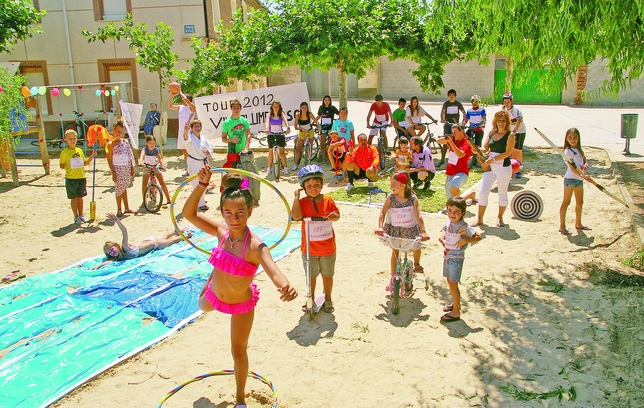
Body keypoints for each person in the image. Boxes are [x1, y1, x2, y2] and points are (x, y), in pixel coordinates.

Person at [182, 164, 298, 408]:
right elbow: (189, 214)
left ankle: (240, 399)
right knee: (201, 306)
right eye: (228, 212)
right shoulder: (221, 231)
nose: (234, 218)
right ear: (222, 212)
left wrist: (285, 285)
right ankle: (209, 284)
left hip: (240, 304)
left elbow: (274, 271)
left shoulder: (256, 246)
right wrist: (202, 186)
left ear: (250, 211)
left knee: (238, 351)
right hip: (214, 296)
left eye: (240, 212)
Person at [291, 165, 341, 313]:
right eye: (310, 186)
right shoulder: (302, 203)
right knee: (311, 276)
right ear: (303, 187)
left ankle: (328, 298)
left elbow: (337, 215)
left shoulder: (328, 200)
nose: (313, 188)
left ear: (321, 185)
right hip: (309, 249)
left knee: (327, 274)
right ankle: (310, 298)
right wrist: (296, 198)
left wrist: (334, 216)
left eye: (317, 185)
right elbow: (297, 216)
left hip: (327, 247)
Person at [375, 172, 430, 282]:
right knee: (395, 252)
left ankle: (417, 263)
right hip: (395, 230)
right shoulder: (391, 198)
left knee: (417, 246)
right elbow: (382, 213)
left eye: (394, 184)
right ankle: (393, 277)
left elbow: (418, 215)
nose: (391, 186)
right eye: (391, 184)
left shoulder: (413, 199)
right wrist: (380, 227)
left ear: (403, 185)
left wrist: (423, 231)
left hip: (410, 229)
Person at [94, 212, 191, 269]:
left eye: (112, 249)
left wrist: (117, 221)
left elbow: (124, 231)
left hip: (154, 244)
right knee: (164, 237)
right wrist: (98, 266)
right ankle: (177, 230)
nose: (112, 252)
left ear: (116, 245)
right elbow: (109, 261)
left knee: (172, 241)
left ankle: (186, 235)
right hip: (149, 241)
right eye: (110, 252)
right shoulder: (117, 256)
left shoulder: (125, 247)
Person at [437, 196, 481, 322]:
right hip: (448, 255)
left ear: (462, 213)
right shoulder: (448, 222)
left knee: (454, 283)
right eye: (450, 210)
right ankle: (455, 304)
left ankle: (456, 311)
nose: (452, 214)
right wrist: (442, 239)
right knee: (449, 281)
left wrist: (465, 240)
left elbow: (477, 237)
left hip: (456, 258)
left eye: (456, 212)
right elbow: (443, 234)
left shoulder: (465, 226)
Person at [472, 110, 515, 228]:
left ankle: (500, 218)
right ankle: (479, 218)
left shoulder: (510, 135)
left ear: (506, 122)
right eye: (499, 120)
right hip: (490, 167)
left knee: (502, 193)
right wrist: (477, 149)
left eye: (503, 121)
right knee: (483, 192)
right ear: (495, 121)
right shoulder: (491, 133)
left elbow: (508, 152)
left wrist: (492, 160)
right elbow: (485, 148)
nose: (501, 123)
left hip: (503, 167)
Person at [559, 127, 592, 235]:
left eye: (575, 137)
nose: (573, 140)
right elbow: (573, 167)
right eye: (570, 138)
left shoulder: (579, 150)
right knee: (566, 202)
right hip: (570, 179)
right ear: (567, 139)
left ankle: (578, 223)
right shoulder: (567, 152)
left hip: (579, 180)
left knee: (580, 202)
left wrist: (585, 165)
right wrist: (583, 175)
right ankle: (562, 226)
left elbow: (584, 160)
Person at [59, 129, 96, 224]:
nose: (72, 140)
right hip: (71, 179)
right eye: (70, 138)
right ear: (66, 140)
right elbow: (62, 165)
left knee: (80, 197)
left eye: (74, 138)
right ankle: (76, 216)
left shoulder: (79, 150)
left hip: (81, 178)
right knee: (74, 198)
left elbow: (85, 162)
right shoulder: (65, 152)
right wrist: (71, 165)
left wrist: (92, 155)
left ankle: (81, 215)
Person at [436, 124, 477, 206]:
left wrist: (450, 142)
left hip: (462, 172)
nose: (453, 134)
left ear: (461, 131)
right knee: (451, 202)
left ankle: (460, 206)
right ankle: (469, 195)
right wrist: (447, 139)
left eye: (455, 132)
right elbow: (438, 141)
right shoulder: (453, 139)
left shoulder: (467, 142)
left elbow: (460, 154)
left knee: (453, 186)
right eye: (452, 132)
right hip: (450, 172)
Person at [106, 120, 135, 217]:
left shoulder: (126, 142)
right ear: (114, 130)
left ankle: (127, 207)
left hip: (126, 168)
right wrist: (113, 173)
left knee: (124, 187)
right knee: (119, 188)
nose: (119, 133)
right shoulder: (110, 144)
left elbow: (129, 155)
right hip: (117, 170)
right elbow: (109, 160)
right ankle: (119, 209)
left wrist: (132, 167)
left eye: (121, 132)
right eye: (118, 131)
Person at [166, 85, 196, 176]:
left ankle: (194, 168)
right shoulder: (180, 107)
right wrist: (171, 95)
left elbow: (187, 101)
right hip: (181, 132)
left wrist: (180, 92)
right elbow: (169, 106)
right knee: (184, 151)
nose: (182, 100)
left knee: (191, 150)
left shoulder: (192, 107)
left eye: (184, 99)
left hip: (190, 132)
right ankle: (188, 168)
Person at [183, 119, 213, 211]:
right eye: (195, 127)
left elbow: (210, 146)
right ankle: (201, 203)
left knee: (204, 181)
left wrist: (209, 151)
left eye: (199, 126)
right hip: (194, 162)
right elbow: (185, 138)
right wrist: (185, 131)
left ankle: (201, 199)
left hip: (203, 162)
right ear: (191, 128)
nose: (197, 128)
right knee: (196, 183)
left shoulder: (203, 137)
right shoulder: (190, 137)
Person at [139, 135, 172, 207]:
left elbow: (160, 159)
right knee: (144, 184)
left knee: (162, 182)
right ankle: (144, 200)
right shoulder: (144, 149)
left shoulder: (156, 150)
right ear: (146, 143)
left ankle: (168, 199)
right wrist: (141, 163)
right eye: (150, 143)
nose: (152, 145)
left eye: (153, 143)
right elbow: (141, 157)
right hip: (147, 167)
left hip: (155, 166)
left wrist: (163, 165)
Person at [439, 89, 466, 167]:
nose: (451, 96)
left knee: (456, 141)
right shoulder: (446, 104)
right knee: (445, 140)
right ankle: (442, 159)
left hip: (455, 125)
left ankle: (456, 159)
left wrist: (463, 121)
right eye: (450, 95)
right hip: (447, 124)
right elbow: (442, 112)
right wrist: (442, 119)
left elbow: (463, 112)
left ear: (455, 96)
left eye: (453, 95)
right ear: (448, 96)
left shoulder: (458, 104)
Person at [221, 99, 251, 169]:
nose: (236, 109)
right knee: (233, 173)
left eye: (238, 107)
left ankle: (245, 181)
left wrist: (246, 148)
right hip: (232, 152)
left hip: (243, 151)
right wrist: (231, 140)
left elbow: (248, 135)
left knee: (245, 173)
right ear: (231, 108)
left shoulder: (245, 121)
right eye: (234, 107)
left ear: (240, 108)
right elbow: (223, 139)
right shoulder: (226, 123)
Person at [502, 92, 526, 178]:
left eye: (508, 101)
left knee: (518, 150)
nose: (506, 103)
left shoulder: (517, 109)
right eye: (505, 101)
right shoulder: (503, 109)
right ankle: (512, 167)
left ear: (511, 101)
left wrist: (515, 131)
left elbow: (519, 120)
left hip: (519, 131)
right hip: (509, 132)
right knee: (510, 150)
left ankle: (518, 169)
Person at [265, 101, 291, 175]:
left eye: (277, 107)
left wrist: (288, 128)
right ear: (272, 107)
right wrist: (266, 129)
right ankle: (269, 167)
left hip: (280, 134)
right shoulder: (269, 115)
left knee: (282, 152)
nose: (276, 108)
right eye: (274, 107)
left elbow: (286, 121)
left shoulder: (281, 114)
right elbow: (266, 122)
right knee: (270, 152)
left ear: (279, 107)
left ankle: (285, 167)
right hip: (271, 134)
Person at [293, 101, 319, 171]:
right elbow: (295, 126)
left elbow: (315, 120)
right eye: (303, 107)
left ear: (307, 108)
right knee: (298, 149)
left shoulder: (309, 114)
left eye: (305, 107)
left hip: (310, 131)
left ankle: (309, 162)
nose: (304, 109)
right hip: (302, 132)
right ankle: (295, 164)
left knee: (310, 147)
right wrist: (301, 128)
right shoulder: (298, 115)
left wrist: (318, 126)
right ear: (300, 108)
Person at [463, 95, 486, 167]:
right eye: (473, 101)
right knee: (465, 139)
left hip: (479, 128)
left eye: (476, 101)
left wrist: (483, 124)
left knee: (477, 145)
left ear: (479, 102)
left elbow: (484, 118)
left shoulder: (482, 110)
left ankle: (477, 159)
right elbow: (466, 120)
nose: (474, 103)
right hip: (471, 127)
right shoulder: (469, 111)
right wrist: (462, 124)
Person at [317, 95, 339, 163]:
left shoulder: (332, 108)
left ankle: (331, 159)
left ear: (330, 101)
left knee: (331, 144)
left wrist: (338, 122)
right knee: (322, 144)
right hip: (323, 128)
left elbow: (339, 114)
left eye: (328, 100)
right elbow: (318, 116)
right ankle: (324, 160)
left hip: (330, 128)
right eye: (325, 100)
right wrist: (315, 122)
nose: (327, 101)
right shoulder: (321, 108)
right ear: (323, 101)